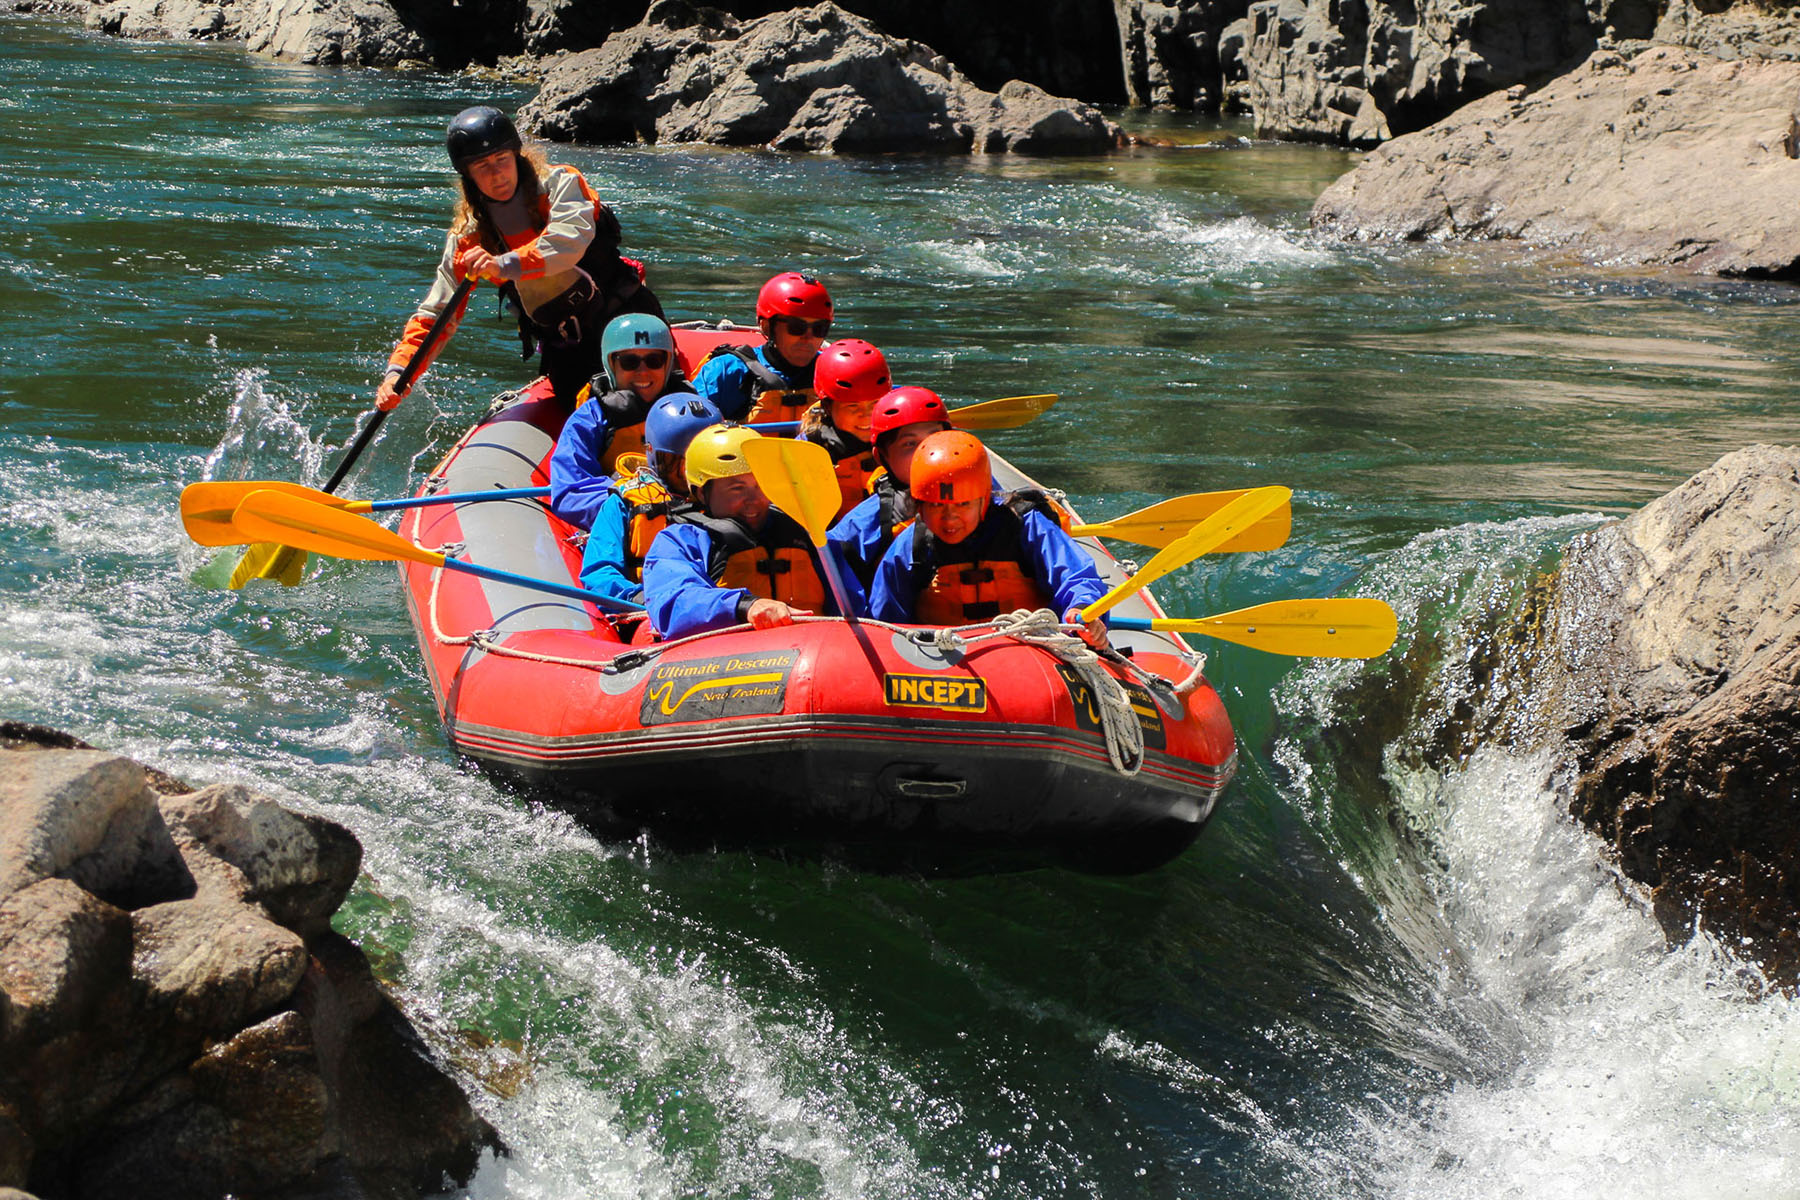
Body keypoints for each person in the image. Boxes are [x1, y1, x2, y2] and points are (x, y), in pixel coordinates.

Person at [375, 106, 663, 413]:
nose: (497, 174)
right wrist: (399, 372)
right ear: (468, 175)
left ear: (516, 155)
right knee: (590, 419)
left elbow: (567, 244)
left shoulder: (561, 184)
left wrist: (503, 265)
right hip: (568, 348)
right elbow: (436, 315)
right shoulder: (469, 239)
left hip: (628, 319)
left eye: (502, 159)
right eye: (482, 166)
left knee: (643, 409)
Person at [869, 431, 1109, 647]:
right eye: (936, 505)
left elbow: (1078, 577)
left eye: (963, 504)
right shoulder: (911, 545)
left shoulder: (1026, 526)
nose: (949, 518)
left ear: (984, 501)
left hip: (1031, 651)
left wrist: (1081, 607)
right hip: (943, 660)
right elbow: (884, 621)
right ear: (919, 506)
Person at [642, 424, 865, 640]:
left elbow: (855, 607)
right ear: (702, 493)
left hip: (811, 651)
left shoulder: (806, 534)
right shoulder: (680, 541)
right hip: (729, 657)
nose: (754, 500)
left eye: (761, 485)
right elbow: (672, 602)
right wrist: (745, 606)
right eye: (737, 488)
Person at [578, 393, 720, 607]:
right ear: (652, 454)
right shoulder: (625, 501)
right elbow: (599, 574)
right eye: (676, 461)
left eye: (700, 461)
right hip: (647, 609)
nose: (688, 472)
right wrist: (641, 600)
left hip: (724, 607)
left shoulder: (734, 495)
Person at [548, 313, 683, 529]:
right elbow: (570, 492)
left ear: (667, 365)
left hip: (686, 516)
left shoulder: (693, 409)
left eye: (654, 361)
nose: (643, 372)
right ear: (611, 365)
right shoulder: (590, 419)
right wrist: (630, 500)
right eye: (629, 362)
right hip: (627, 520)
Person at [827, 385, 953, 590]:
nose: (928, 451)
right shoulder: (856, 530)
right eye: (910, 444)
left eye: (935, 438)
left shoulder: (991, 498)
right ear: (882, 457)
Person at [690, 272, 830, 424]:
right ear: (767, 327)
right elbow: (689, 428)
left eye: (819, 328)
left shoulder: (832, 373)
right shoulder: (725, 371)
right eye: (796, 327)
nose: (809, 337)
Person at [801, 338, 890, 521]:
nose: (866, 416)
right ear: (828, 407)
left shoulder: (903, 438)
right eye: (852, 406)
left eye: (875, 404)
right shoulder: (808, 448)